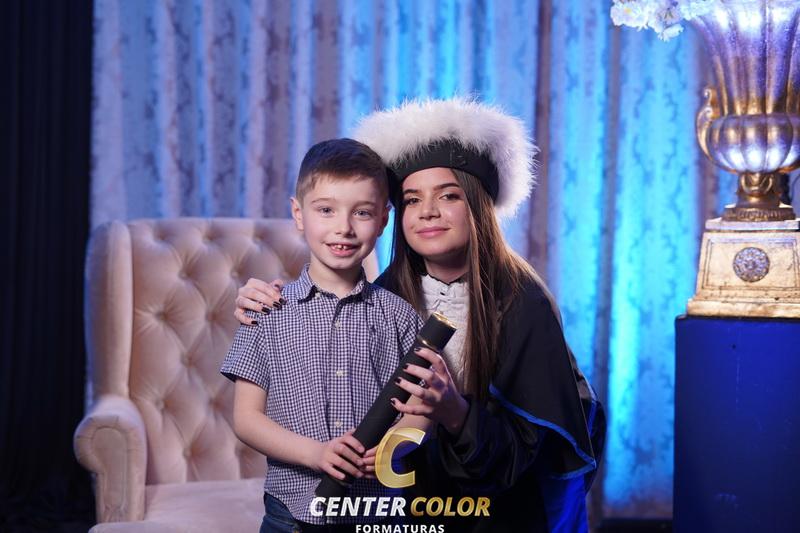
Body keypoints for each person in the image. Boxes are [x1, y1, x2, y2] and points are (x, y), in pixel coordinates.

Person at [234, 98, 605, 532]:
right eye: (413, 199)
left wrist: (453, 411)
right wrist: (270, 298)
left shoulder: (524, 302)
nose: (428, 210)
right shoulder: (389, 294)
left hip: (497, 511)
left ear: (478, 205)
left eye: (448, 195)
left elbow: (529, 455)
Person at [220, 138, 429, 532]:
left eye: (362, 212)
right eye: (326, 210)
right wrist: (315, 454)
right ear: (299, 214)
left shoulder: (400, 316)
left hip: (377, 511)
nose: (343, 228)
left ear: (383, 220)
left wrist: (393, 445)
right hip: (291, 514)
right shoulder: (266, 312)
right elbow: (246, 419)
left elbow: (419, 412)